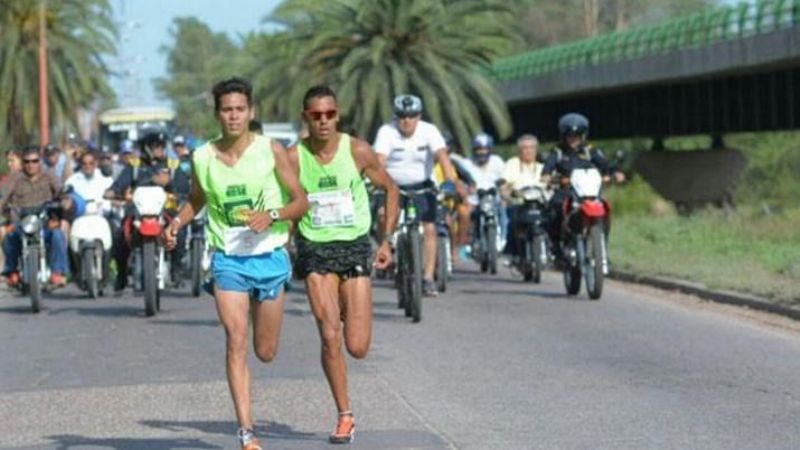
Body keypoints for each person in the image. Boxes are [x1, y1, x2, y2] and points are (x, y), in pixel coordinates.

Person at [163, 77, 308, 450]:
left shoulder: (271, 150)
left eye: (240, 109)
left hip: (270, 256)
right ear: (217, 114)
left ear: (251, 112)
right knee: (236, 339)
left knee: (266, 350)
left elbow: (300, 201)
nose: (233, 116)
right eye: (226, 109)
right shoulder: (202, 157)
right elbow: (196, 199)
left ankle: (249, 421)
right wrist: (177, 223)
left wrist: (272, 214)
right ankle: (246, 431)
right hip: (228, 258)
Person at [288, 85, 398, 444]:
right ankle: (344, 415)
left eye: (329, 114)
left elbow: (391, 189)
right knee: (329, 334)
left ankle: (348, 308)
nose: (323, 121)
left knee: (358, 346)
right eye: (316, 116)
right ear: (306, 118)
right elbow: (280, 198)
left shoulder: (357, 151)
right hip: (315, 249)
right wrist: (285, 236)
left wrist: (386, 240)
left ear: (338, 115)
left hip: (353, 248)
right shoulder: (293, 157)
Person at [373, 94, 464, 297]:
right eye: (402, 116)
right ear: (396, 117)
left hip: (422, 186)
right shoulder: (386, 132)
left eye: (412, 116)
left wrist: (450, 181)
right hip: (393, 186)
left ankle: (428, 278)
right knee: (382, 214)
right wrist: (377, 182)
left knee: (430, 228)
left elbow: (443, 158)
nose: (407, 121)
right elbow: (379, 161)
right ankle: (386, 248)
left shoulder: (429, 131)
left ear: (419, 116)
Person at [105, 130, 190, 291]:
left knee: (180, 231)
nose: (159, 149)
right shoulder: (135, 165)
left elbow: (184, 187)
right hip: (138, 211)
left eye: (161, 146)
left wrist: (170, 182)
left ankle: (176, 269)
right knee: (119, 235)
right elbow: (120, 183)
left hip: (166, 210)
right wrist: (112, 191)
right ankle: (121, 275)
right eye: (155, 146)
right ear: (146, 147)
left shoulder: (172, 165)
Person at [541, 113, 623, 261]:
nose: (573, 139)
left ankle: (602, 250)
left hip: (589, 192)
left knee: (605, 209)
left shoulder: (590, 151)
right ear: (563, 136)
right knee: (554, 209)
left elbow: (605, 165)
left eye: (577, 135)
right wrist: (548, 178)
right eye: (570, 135)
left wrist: (614, 173)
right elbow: (547, 170)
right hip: (566, 192)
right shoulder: (557, 152)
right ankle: (555, 247)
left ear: (583, 135)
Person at [0, 145, 68, 286]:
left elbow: (61, 192)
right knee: (9, 236)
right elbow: (3, 197)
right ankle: (12, 271)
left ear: (40, 161)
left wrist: (65, 200)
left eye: (35, 161)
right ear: (23, 163)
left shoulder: (49, 175)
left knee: (57, 235)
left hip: (43, 221)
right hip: (21, 222)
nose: (31, 165)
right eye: (27, 161)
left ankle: (58, 272)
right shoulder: (15, 179)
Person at [502, 134, 546, 260]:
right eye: (525, 148)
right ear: (519, 150)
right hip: (519, 204)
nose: (528, 151)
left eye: (532, 147)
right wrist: (507, 193)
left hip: (539, 205)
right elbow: (504, 183)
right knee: (513, 223)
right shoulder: (512, 164)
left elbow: (550, 183)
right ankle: (511, 252)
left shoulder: (542, 167)